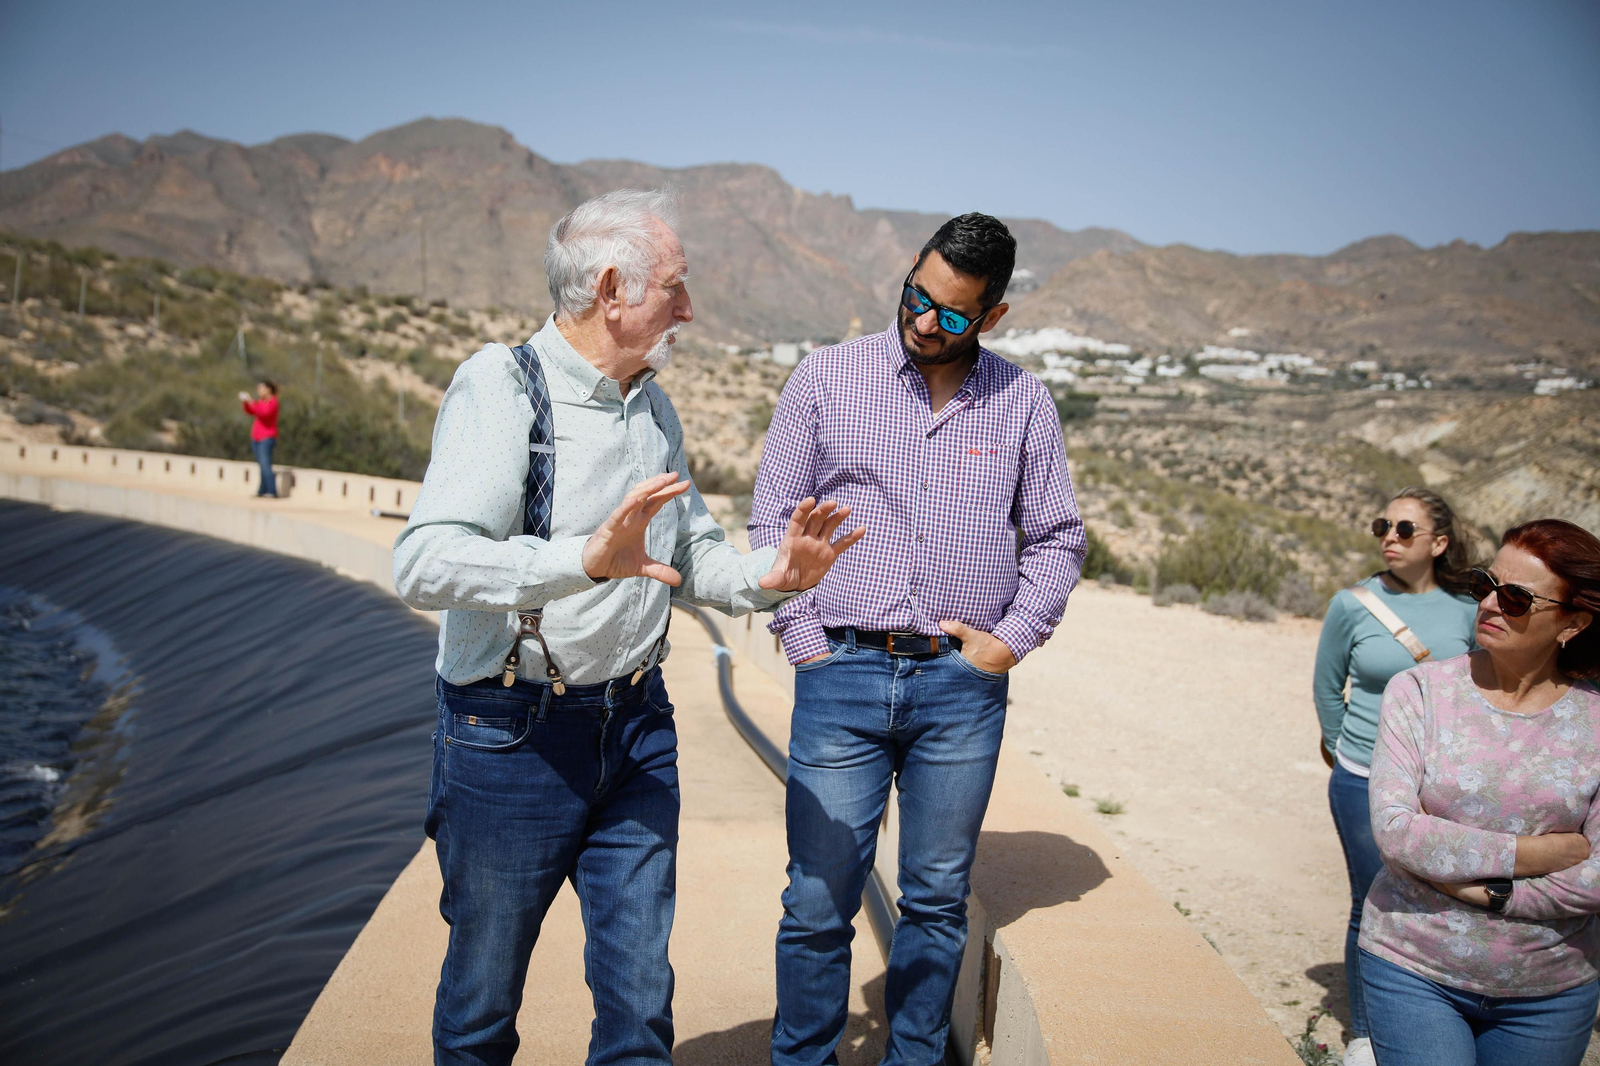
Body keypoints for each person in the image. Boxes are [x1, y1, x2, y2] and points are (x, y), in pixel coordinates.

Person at [392, 188, 864, 1066]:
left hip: (639, 729)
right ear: (611, 288)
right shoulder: (502, 388)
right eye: (675, 288)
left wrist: (773, 577)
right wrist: (583, 560)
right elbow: (423, 563)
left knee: (642, 1007)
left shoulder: (652, 406)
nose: (689, 308)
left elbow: (697, 551)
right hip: (510, 737)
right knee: (482, 1008)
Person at [749, 212, 1086, 1065]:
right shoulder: (825, 378)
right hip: (841, 672)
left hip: (959, 691)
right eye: (918, 298)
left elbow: (1056, 537)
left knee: (935, 900)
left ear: (995, 317)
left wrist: (1009, 641)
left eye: (956, 315)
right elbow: (769, 524)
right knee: (819, 900)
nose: (928, 323)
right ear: (908, 274)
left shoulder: (1024, 402)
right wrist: (804, 641)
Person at [1361, 518, 1600, 1066]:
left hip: (1551, 993)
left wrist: (1499, 895)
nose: (1490, 603)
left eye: (1515, 597)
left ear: (1574, 622)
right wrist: (1537, 854)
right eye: (1484, 584)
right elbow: (1397, 832)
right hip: (1411, 964)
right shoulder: (1420, 693)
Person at [1312, 487, 1478, 1066]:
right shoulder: (1351, 604)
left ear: (1439, 542)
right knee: (1372, 900)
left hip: (1442, 787)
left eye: (1405, 529)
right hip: (1361, 776)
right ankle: (1366, 1035)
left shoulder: (1469, 610)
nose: (1389, 536)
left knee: (1441, 901)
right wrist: (1343, 750)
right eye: (1384, 525)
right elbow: (1327, 687)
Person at [238, 380, 279, 497]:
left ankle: (272, 490)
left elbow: (264, 413)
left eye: (261, 388)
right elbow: (251, 411)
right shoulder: (261, 402)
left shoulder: (273, 402)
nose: (259, 391)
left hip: (267, 437)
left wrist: (251, 401)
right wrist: (246, 403)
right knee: (261, 464)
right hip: (256, 437)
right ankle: (262, 489)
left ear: (268, 389)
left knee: (265, 464)